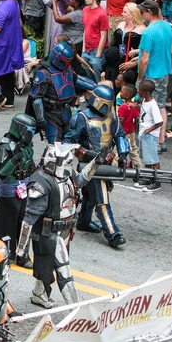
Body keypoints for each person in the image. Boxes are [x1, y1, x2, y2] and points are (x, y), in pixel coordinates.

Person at [16, 142, 108, 308]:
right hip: (48, 233)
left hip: (65, 231)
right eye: (67, 161)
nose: (69, 164)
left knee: (46, 266)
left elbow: (80, 180)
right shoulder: (41, 182)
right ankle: (76, 310)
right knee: (63, 270)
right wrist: (22, 248)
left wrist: (96, 162)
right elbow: (29, 218)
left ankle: (39, 294)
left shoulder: (65, 176)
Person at [63, 85, 130, 248]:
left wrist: (122, 154)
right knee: (101, 198)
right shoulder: (81, 117)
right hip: (88, 164)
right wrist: (88, 155)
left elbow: (119, 135)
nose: (107, 107)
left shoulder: (112, 115)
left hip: (105, 162)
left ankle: (84, 221)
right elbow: (69, 143)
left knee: (91, 195)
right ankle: (112, 233)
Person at [0, 114, 36, 268]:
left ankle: (22, 254)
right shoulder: (5, 146)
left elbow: (30, 164)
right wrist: (15, 159)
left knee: (24, 221)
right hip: (10, 189)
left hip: (24, 186)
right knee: (5, 222)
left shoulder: (26, 146)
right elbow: (3, 172)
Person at [137, 0, 172, 158]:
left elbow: (144, 59)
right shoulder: (168, 27)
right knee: (161, 105)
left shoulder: (148, 32)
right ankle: (161, 138)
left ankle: (153, 138)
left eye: (142, 12)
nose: (141, 15)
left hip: (151, 73)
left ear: (149, 12)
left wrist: (140, 77)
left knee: (151, 106)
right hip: (165, 71)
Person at [26, 41, 78, 143]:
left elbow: (77, 80)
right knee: (54, 147)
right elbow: (36, 99)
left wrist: (95, 87)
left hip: (66, 111)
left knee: (67, 144)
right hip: (51, 114)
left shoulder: (67, 69)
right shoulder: (44, 73)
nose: (66, 63)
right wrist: (41, 120)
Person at [134, 79, 164, 192]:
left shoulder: (153, 105)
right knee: (147, 159)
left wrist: (149, 130)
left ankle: (156, 181)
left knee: (153, 159)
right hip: (144, 134)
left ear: (146, 92)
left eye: (140, 90)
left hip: (150, 135)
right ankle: (147, 178)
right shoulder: (144, 102)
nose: (138, 92)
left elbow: (159, 122)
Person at [82, 0, 109, 82]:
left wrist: (98, 54)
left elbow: (104, 36)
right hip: (86, 50)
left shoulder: (102, 13)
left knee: (98, 79)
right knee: (88, 79)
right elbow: (85, 29)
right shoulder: (85, 10)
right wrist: (83, 50)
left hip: (96, 50)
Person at [112, 2, 145, 74]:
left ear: (132, 15)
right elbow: (114, 42)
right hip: (118, 59)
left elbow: (147, 48)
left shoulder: (142, 29)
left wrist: (137, 51)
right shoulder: (121, 24)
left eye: (125, 12)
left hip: (132, 62)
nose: (122, 14)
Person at [117, 84, 142, 168]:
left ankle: (113, 167)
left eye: (121, 91)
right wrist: (134, 127)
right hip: (130, 131)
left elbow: (121, 120)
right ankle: (138, 166)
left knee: (117, 150)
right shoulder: (134, 105)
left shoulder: (122, 107)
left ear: (127, 95)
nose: (120, 93)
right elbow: (137, 118)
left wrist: (116, 128)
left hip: (122, 132)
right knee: (133, 149)